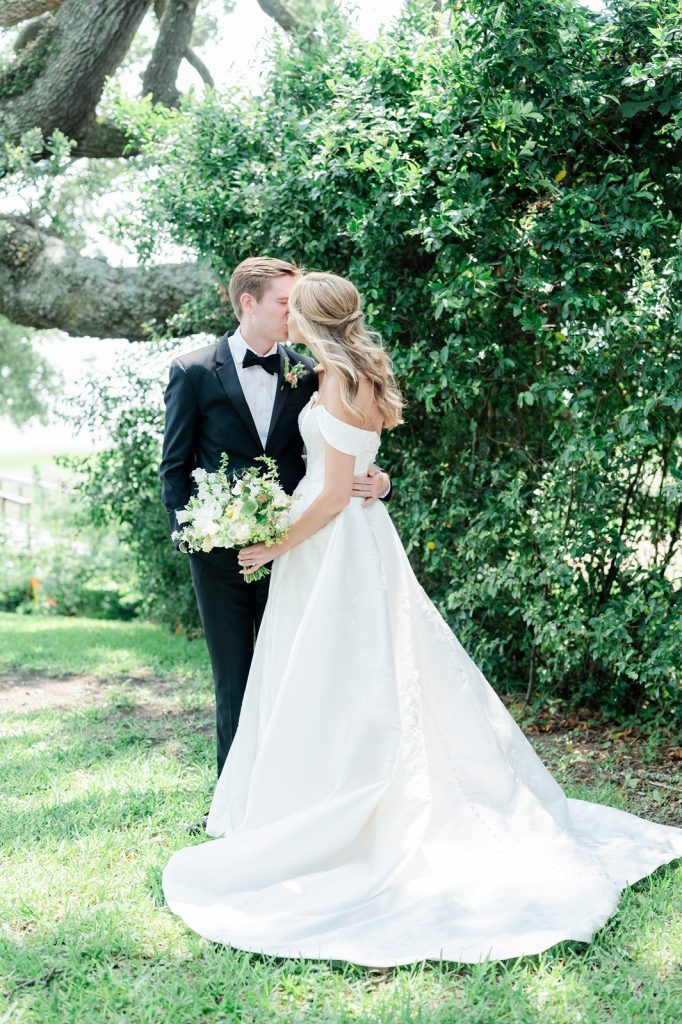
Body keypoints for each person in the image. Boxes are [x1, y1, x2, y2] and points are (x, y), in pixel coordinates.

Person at [162, 271, 682, 967]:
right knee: (306, 672)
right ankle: (269, 799)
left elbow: (334, 484)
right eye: (279, 305)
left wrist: (285, 537)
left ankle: (335, 803)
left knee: (336, 669)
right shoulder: (343, 370)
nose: (286, 318)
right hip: (337, 534)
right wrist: (360, 484)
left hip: (328, 541)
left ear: (310, 320)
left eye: (295, 308)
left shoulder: (326, 378)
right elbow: (341, 463)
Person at [159, 258, 390, 791]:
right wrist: (191, 536)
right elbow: (174, 467)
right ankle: (234, 800)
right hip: (219, 553)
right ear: (248, 303)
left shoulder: (313, 372)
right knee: (236, 676)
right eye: (284, 303)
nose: (292, 313)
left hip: (302, 546)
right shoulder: (193, 371)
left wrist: (380, 483)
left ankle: (289, 795)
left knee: (292, 670)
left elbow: (340, 453)